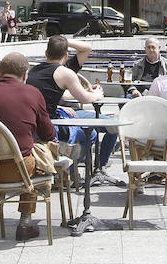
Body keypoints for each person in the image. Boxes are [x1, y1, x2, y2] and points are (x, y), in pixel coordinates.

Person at [0, 51, 58, 242]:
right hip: (16, 170)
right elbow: (48, 134)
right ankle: (25, 222)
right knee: (34, 160)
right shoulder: (32, 93)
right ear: (25, 75)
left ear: (0, 72)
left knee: (19, 153)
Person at [27, 35, 120, 185]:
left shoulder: (33, 71)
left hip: (40, 123)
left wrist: (59, 42)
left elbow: (50, 93)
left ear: (46, 53)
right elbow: (85, 99)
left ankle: (69, 170)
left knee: (95, 131)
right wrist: (96, 94)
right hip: (53, 124)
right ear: (65, 55)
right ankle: (69, 171)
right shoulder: (64, 72)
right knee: (91, 134)